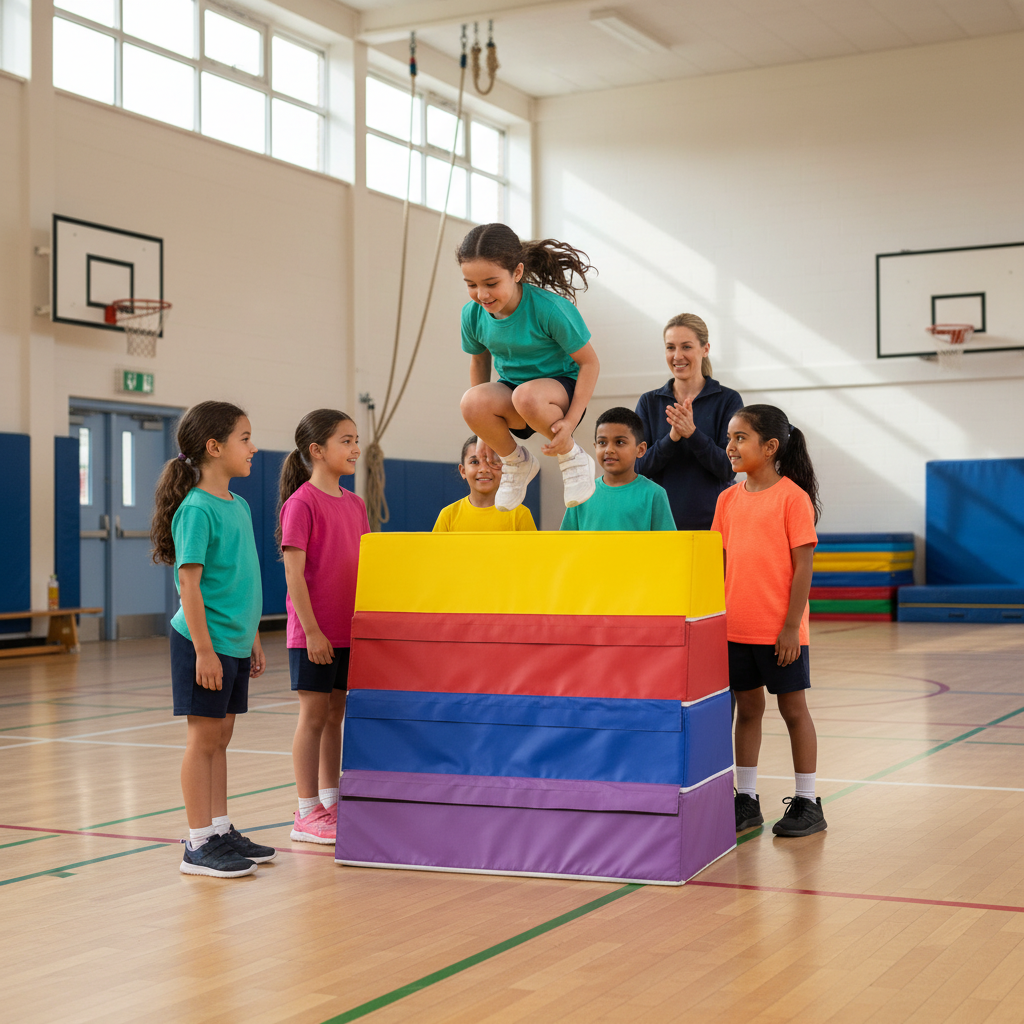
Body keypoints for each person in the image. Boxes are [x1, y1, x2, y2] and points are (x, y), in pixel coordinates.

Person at [152, 401, 275, 877]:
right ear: (214, 446)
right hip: (201, 642)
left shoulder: (238, 504)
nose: (253, 447)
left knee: (222, 737)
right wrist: (204, 649)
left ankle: (220, 828)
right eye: (245, 438)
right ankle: (198, 842)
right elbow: (189, 586)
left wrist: (253, 638)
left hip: (233, 641)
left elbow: (241, 581)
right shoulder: (196, 509)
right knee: (203, 739)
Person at [710, 404, 826, 838]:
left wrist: (791, 626)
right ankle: (747, 798)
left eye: (740, 438)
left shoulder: (792, 498)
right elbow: (719, 565)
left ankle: (809, 801)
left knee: (793, 711)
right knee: (749, 712)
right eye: (729, 438)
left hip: (780, 631)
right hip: (734, 629)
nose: (730, 447)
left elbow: (803, 569)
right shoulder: (727, 499)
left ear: (770, 446)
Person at [458, 222, 600, 513]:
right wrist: (484, 434)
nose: (481, 294)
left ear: (517, 273)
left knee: (526, 395)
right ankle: (516, 462)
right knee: (471, 402)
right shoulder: (472, 315)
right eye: (471, 285)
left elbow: (590, 363)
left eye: (491, 283)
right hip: (514, 392)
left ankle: (573, 457)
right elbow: (480, 361)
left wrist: (570, 424)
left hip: (560, 390)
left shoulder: (549, 309)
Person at [278, 410, 369, 844]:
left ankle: (331, 800)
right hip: (312, 634)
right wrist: (312, 631)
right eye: (346, 441)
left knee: (337, 714)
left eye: (356, 440)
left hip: (348, 631)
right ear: (317, 451)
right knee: (313, 716)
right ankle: (305, 810)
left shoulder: (356, 504)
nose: (355, 449)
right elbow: (294, 575)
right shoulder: (301, 503)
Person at [635, 314, 744, 530]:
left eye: (686, 347)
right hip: (657, 524)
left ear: (705, 349)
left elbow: (729, 468)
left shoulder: (728, 400)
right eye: (670, 347)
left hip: (713, 526)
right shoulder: (649, 402)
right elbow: (638, 467)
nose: (677, 356)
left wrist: (693, 435)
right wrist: (672, 438)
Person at [560, 408, 675, 532]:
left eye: (619, 442)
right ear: (595, 447)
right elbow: (565, 546)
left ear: (640, 449)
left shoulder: (654, 494)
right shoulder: (581, 493)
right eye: (602, 442)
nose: (609, 450)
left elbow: (667, 547)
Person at [433, 435, 537, 532]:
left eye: (493, 461)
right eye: (474, 462)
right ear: (463, 471)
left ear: (505, 468)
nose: (484, 469)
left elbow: (532, 551)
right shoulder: (448, 516)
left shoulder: (520, 515)